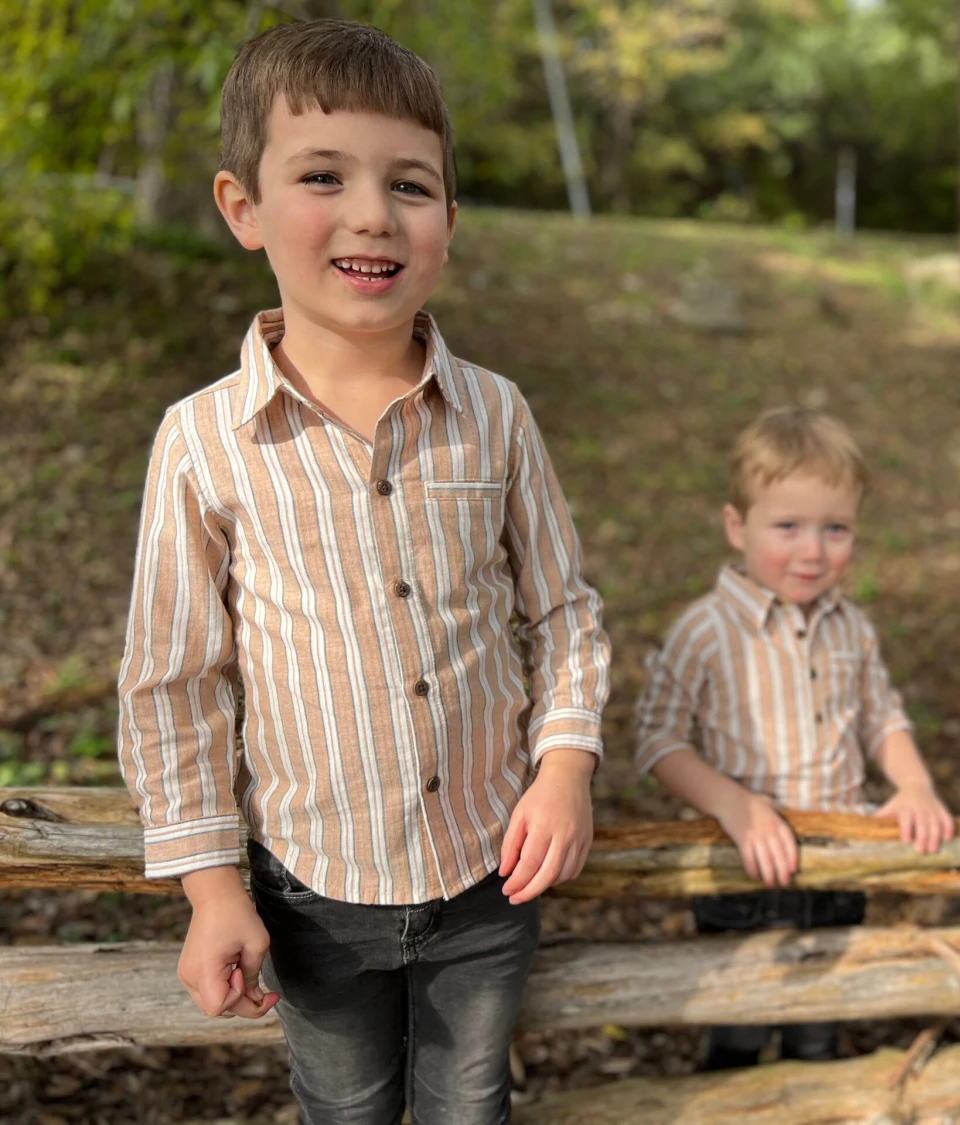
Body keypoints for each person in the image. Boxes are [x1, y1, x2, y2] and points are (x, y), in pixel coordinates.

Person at [115, 20, 610, 1123]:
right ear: (242, 207)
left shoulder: (495, 414)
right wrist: (208, 888)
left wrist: (566, 765)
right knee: (344, 1110)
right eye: (323, 176)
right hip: (315, 887)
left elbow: (566, 611)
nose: (374, 213)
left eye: (411, 184)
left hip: (490, 872)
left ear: (447, 220)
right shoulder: (203, 444)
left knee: (469, 1102)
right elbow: (175, 683)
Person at [634, 406, 954, 1071]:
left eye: (835, 529)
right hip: (744, 867)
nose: (813, 551)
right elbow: (658, 739)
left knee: (818, 1032)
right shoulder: (707, 629)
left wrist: (915, 783)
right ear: (736, 527)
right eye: (788, 527)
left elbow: (881, 716)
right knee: (740, 1034)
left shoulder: (851, 628)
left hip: (839, 860)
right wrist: (733, 803)